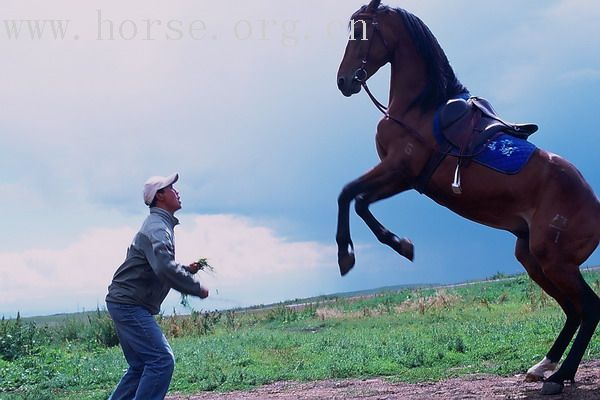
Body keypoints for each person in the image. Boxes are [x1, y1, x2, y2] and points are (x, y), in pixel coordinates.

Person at [105, 173, 209, 400]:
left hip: (123, 301)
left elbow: (157, 263)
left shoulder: (159, 225)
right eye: (171, 188)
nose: (177, 192)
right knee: (161, 360)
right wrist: (194, 286)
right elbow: (163, 267)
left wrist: (185, 270)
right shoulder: (157, 227)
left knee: (141, 366)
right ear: (160, 196)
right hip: (129, 303)